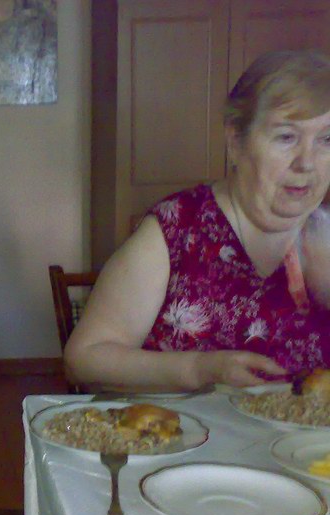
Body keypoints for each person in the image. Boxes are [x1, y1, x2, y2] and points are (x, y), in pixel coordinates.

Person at [64, 49, 330, 392]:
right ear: (236, 141)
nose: (306, 162)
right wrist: (199, 369)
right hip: (181, 427)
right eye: (286, 137)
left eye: (326, 139)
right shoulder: (177, 229)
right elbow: (83, 359)